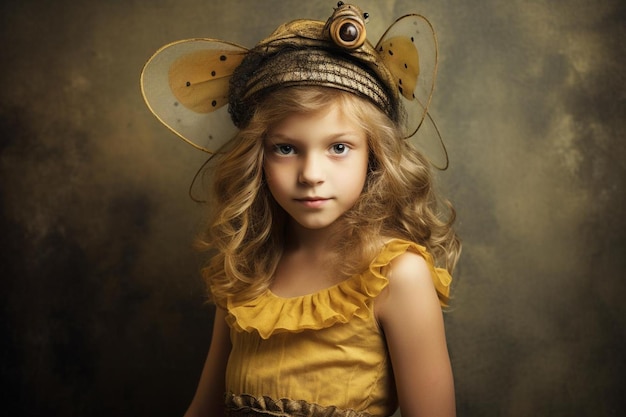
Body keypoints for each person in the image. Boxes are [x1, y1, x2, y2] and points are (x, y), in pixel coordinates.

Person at [141, 3, 461, 416]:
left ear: (374, 156)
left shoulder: (397, 275)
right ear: (259, 156)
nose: (311, 174)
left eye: (339, 148)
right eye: (286, 148)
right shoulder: (244, 268)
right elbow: (203, 410)